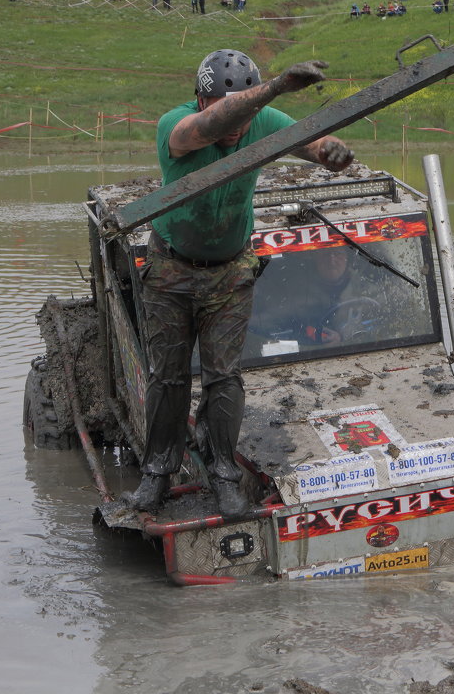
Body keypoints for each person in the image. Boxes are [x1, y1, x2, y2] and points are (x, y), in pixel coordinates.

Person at [122, 50, 354, 519]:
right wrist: (272, 89)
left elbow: (309, 141)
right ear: (201, 100)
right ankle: (157, 474)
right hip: (171, 272)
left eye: (247, 119)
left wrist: (330, 152)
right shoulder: (177, 125)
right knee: (167, 378)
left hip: (229, 273)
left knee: (224, 379)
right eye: (230, 113)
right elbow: (205, 131)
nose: (237, 129)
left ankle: (224, 475)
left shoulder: (262, 118)